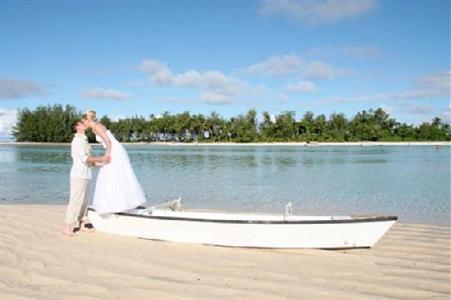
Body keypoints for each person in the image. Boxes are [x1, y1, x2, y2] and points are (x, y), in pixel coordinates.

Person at [81, 110, 146, 214]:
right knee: (113, 175)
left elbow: (108, 140)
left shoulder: (96, 126)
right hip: (114, 149)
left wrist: (107, 153)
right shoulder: (96, 126)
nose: (84, 124)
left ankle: (119, 204)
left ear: (87, 120)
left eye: (83, 122)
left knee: (111, 174)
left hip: (114, 150)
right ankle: (118, 203)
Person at [63, 120, 111, 237]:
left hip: (86, 174)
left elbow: (88, 161)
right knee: (76, 200)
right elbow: (85, 158)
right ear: (76, 127)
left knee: (84, 201)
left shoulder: (83, 139)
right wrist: (102, 158)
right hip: (78, 175)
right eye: (80, 123)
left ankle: (82, 223)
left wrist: (101, 163)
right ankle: (67, 226)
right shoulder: (77, 141)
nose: (83, 124)